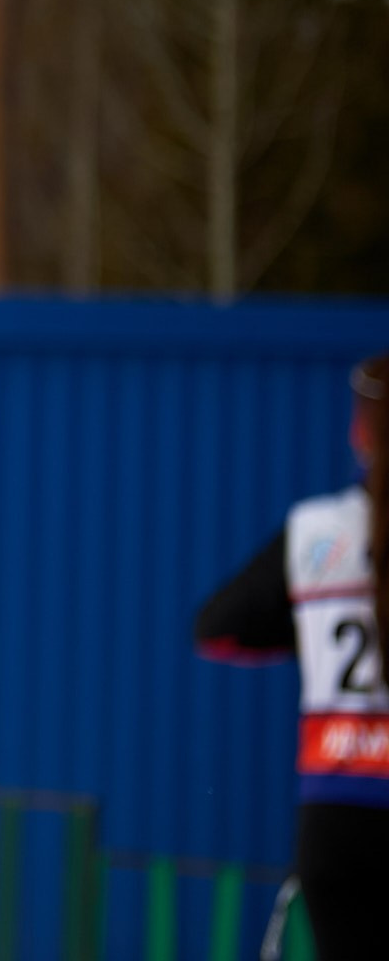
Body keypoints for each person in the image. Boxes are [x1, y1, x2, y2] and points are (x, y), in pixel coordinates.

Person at [196, 352, 389, 959]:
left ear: (359, 432)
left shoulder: (315, 531)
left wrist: (312, 626)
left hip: (337, 814)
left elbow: (217, 628)